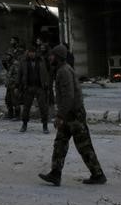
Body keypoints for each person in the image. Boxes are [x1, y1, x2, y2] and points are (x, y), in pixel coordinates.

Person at [39, 45, 106, 186]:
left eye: (52, 55)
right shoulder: (62, 69)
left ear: (58, 57)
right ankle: (55, 174)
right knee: (60, 144)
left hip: (74, 115)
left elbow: (68, 96)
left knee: (83, 146)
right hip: (69, 113)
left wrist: (60, 116)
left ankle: (98, 174)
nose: (50, 57)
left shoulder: (64, 71)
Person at [18, 46, 51, 133]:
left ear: (35, 53)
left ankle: (45, 126)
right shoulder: (24, 62)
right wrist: (18, 86)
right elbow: (20, 74)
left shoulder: (41, 60)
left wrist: (47, 83)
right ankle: (24, 124)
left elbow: (47, 72)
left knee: (43, 107)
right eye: (30, 52)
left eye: (33, 52)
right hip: (28, 87)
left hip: (40, 87)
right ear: (28, 53)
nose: (31, 54)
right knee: (26, 108)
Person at [3, 36, 25, 120]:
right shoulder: (9, 64)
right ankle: (10, 114)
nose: (6, 57)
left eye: (8, 56)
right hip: (9, 85)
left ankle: (17, 116)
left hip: (14, 85)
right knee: (8, 100)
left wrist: (15, 85)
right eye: (6, 56)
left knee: (16, 101)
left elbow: (16, 76)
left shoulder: (15, 64)